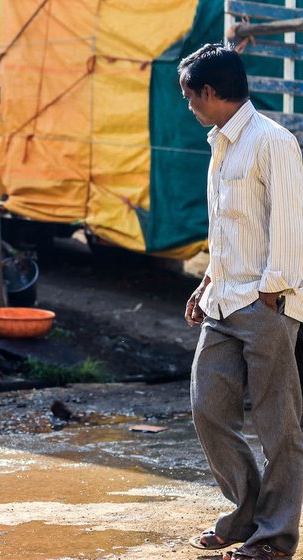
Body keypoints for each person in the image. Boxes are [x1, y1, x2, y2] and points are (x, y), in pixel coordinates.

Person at [180, 44, 303, 560]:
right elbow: (230, 227)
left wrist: (273, 293)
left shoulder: (273, 141)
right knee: (208, 408)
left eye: (190, 97)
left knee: (278, 425)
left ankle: (275, 538)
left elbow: (290, 223)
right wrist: (207, 281)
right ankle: (245, 515)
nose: (188, 106)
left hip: (266, 301)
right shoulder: (220, 143)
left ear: (210, 92)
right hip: (223, 300)